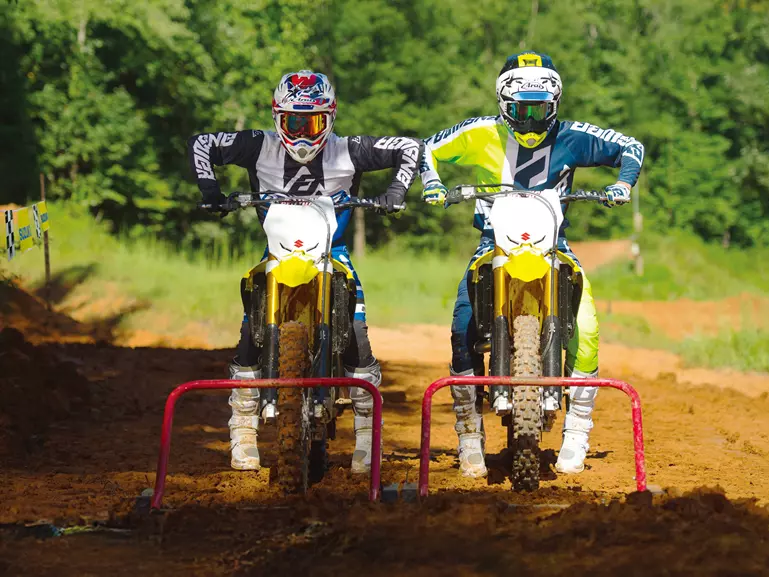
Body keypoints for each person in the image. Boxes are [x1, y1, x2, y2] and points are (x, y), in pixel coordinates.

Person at [419, 51, 645, 478]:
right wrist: (432, 181)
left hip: (554, 245)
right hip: (493, 244)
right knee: (462, 324)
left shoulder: (573, 136)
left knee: (589, 326)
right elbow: (427, 147)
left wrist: (622, 183)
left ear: (553, 105)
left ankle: (578, 430)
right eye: (520, 109)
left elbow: (631, 146)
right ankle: (469, 433)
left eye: (538, 109)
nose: (529, 118)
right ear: (504, 104)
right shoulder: (480, 133)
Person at [187, 70, 422, 474]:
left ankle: (367, 435)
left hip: (333, 252)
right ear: (278, 117)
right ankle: (242, 428)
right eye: (292, 121)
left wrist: (396, 192)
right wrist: (209, 190)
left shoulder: (348, 149)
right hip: (277, 251)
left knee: (357, 330)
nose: (301, 131)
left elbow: (409, 146)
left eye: (311, 121)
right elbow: (202, 142)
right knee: (249, 329)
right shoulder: (259, 144)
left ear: (329, 119)